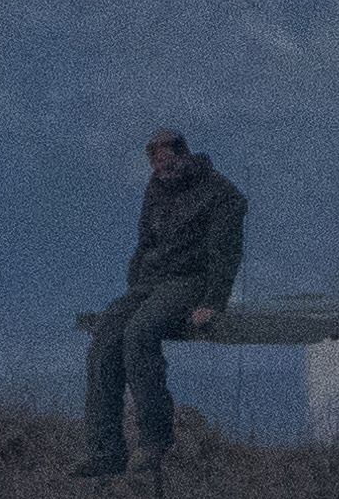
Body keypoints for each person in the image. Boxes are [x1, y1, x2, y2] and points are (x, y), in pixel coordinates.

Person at [77, 129, 246, 478]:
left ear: (184, 155)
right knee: (106, 339)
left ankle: (154, 439)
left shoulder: (222, 194)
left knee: (140, 334)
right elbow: (144, 243)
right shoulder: (156, 187)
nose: (163, 174)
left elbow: (225, 255)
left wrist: (213, 301)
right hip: (149, 282)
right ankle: (105, 450)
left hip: (191, 281)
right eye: (157, 167)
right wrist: (135, 285)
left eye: (169, 166)